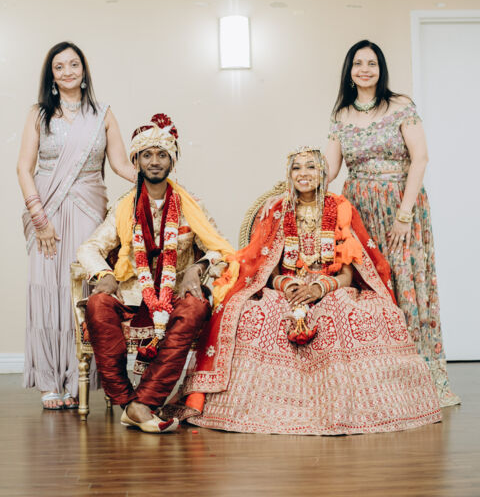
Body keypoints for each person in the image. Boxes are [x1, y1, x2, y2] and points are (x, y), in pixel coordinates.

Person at [176, 148, 441, 435]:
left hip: (329, 287)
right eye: (297, 168)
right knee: (256, 313)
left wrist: (319, 288)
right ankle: (262, 405)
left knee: (347, 311)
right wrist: (286, 285)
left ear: (323, 173)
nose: (303, 173)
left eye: (311, 167)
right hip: (285, 288)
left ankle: (345, 405)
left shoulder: (340, 208)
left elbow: (348, 274)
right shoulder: (277, 210)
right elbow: (265, 265)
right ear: (289, 175)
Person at [77, 113, 234, 433]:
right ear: (136, 161)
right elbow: (89, 248)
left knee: (196, 307)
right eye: (147, 155)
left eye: (162, 154)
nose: (154, 161)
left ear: (172, 161)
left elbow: (219, 248)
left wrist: (197, 268)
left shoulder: (192, 205)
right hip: (131, 293)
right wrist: (105, 275)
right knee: (97, 304)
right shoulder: (124, 206)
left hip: (175, 294)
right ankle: (131, 402)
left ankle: (140, 405)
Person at [324, 39, 459, 407]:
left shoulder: (401, 106)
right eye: (358, 63)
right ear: (349, 71)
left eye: (372, 63)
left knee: (406, 283)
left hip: (401, 206)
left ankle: (422, 381)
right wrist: (298, 175)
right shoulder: (341, 115)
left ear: (381, 69)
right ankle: (381, 380)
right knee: (372, 285)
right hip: (359, 210)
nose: (365, 69)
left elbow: (420, 159)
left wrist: (404, 214)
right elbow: (331, 170)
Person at [17, 41, 136, 410]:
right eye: (59, 67)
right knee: (47, 289)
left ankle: (76, 380)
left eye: (73, 65)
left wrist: (156, 176)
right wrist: (39, 219)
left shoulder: (103, 114)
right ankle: (50, 381)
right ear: (51, 76)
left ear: (84, 71)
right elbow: (24, 168)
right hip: (47, 212)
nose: (67, 72)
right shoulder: (39, 114)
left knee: (83, 289)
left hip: (88, 210)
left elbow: (120, 165)